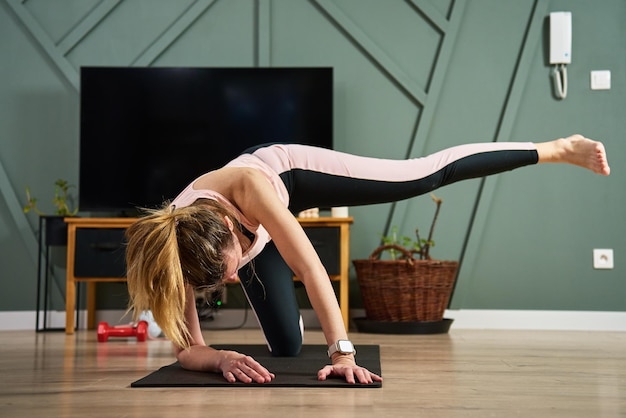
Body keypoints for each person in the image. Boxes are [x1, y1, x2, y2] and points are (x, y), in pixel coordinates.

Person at [125, 134, 609, 385]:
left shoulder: (248, 192)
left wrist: (342, 352)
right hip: (245, 229)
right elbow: (188, 349)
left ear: (232, 229)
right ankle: (282, 273)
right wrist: (218, 358)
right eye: (221, 279)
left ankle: (555, 148)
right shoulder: (179, 252)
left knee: (421, 177)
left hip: (283, 174)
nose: (231, 281)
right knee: (289, 350)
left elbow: (311, 269)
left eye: (229, 269)